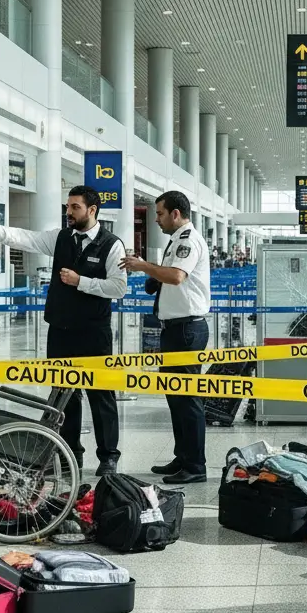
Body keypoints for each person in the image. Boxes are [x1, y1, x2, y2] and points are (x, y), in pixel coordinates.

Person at [0, 185, 126, 477]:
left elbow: (119, 288)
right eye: (67, 206)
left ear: (92, 210)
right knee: (63, 393)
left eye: (75, 207)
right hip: (61, 330)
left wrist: (81, 281)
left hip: (94, 332)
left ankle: (108, 456)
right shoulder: (61, 238)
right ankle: (68, 454)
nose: (68, 212)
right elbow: (27, 239)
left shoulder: (112, 244)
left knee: (101, 394)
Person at [122, 191, 211, 484]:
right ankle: (183, 457)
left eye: (160, 214)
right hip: (174, 329)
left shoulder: (188, 241)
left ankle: (196, 465)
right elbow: (166, 279)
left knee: (188, 399)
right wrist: (150, 277)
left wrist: (144, 265)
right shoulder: (175, 241)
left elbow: (176, 277)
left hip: (187, 330)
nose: (156, 219)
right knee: (175, 395)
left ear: (175, 214)